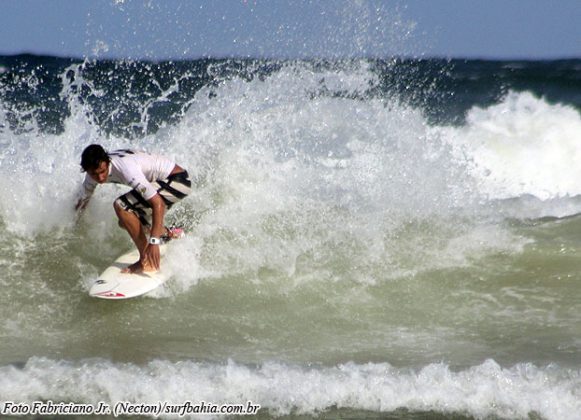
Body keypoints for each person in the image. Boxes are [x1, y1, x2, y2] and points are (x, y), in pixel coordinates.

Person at [76, 144, 191, 273]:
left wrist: (153, 242)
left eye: (103, 171)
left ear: (108, 161)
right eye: (94, 174)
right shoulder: (91, 174)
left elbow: (158, 203)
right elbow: (82, 202)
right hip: (161, 183)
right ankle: (170, 233)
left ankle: (146, 260)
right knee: (125, 222)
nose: (100, 178)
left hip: (178, 181)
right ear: (87, 170)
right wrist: (73, 225)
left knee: (120, 206)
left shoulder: (125, 169)